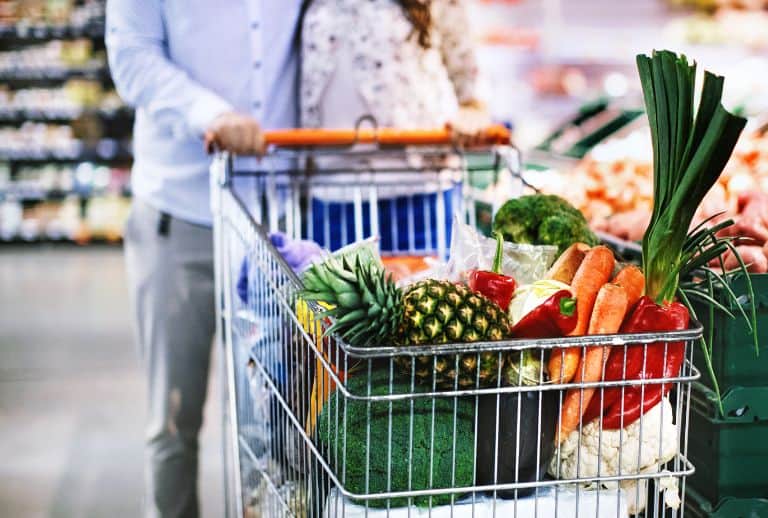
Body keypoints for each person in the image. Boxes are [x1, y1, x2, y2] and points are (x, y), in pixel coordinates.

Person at [104, 1, 304, 516]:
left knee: (275, 424)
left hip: (276, 226)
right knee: (173, 422)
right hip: (179, 213)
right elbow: (131, 54)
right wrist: (208, 112)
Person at [298, 0, 492, 253]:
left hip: (420, 191)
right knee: (330, 292)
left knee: (429, 288)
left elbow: (467, 72)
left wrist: (473, 111)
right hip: (335, 191)